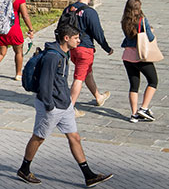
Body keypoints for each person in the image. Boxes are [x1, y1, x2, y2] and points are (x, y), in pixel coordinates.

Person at [16, 22, 113, 187]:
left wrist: (66, 101)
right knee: (39, 137)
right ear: (66, 38)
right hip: (52, 106)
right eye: (76, 38)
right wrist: (49, 106)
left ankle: (89, 175)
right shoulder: (52, 57)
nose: (79, 41)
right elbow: (45, 84)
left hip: (64, 104)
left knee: (74, 137)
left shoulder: (63, 53)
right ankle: (24, 169)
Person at [64, 0, 113, 117]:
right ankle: (69, 108)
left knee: (87, 73)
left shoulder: (69, 9)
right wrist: (106, 48)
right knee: (79, 78)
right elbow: (98, 32)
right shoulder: (90, 12)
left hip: (72, 48)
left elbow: (62, 27)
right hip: (85, 49)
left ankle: (98, 97)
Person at [120, 0, 158, 123]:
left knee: (134, 85)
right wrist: (150, 30)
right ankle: (144, 108)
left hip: (127, 57)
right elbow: (150, 38)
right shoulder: (142, 20)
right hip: (140, 56)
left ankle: (134, 114)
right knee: (153, 81)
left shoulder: (124, 21)